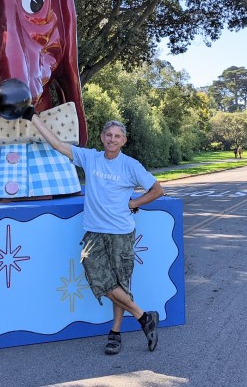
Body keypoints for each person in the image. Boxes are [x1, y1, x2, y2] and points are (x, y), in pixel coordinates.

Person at [30, 114, 164, 355]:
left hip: (121, 233)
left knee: (119, 284)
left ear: (124, 140)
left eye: (117, 136)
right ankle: (144, 317)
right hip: (94, 233)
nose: (112, 139)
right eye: (108, 135)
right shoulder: (90, 158)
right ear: (102, 137)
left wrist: (135, 203)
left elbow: (157, 190)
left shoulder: (131, 165)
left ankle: (115, 334)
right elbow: (57, 144)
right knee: (102, 278)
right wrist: (32, 116)